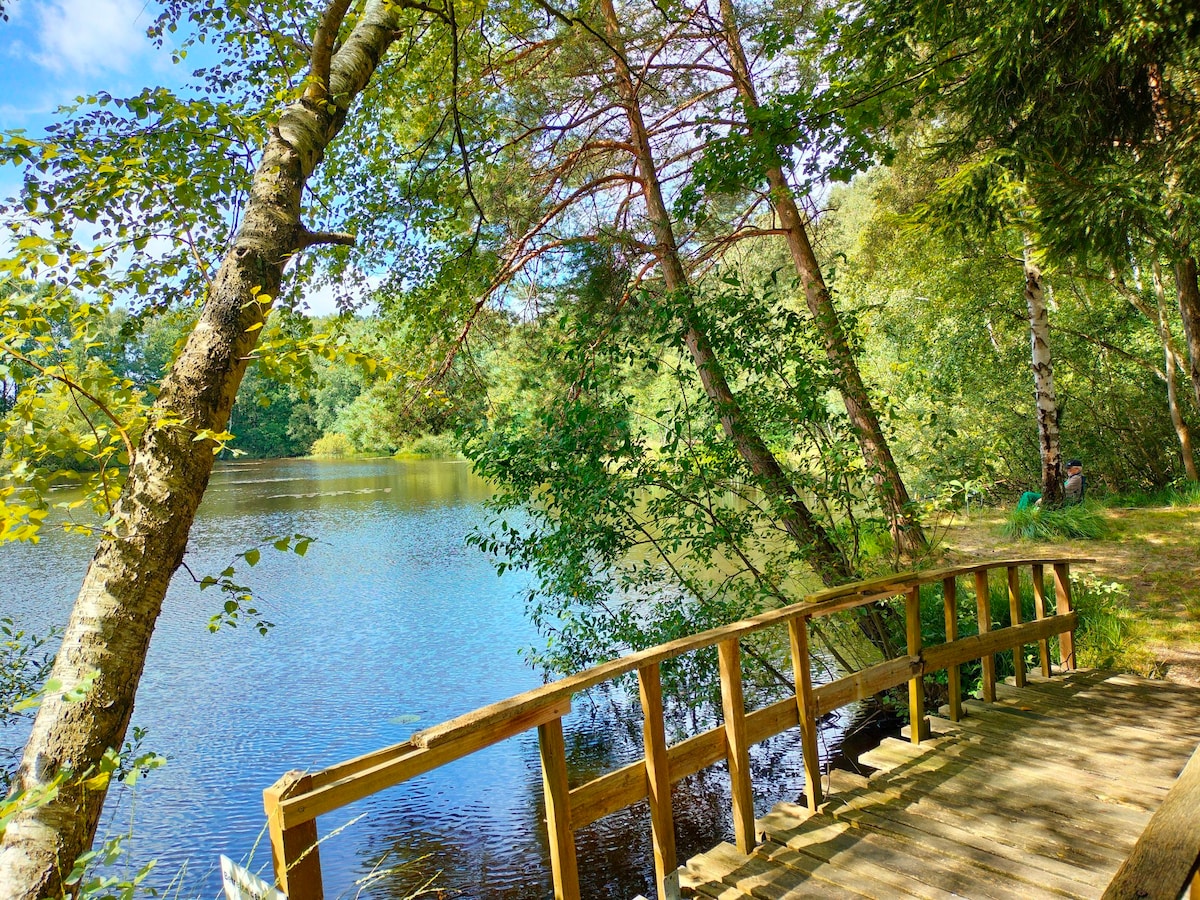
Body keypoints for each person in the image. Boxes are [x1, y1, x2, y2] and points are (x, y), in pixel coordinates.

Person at [1017, 458, 1085, 509]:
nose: (1068, 470)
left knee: (1028, 495)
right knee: (1028, 495)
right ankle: (1021, 513)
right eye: (1067, 468)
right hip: (1058, 498)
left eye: (1070, 469)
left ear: (1077, 469)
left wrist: (1044, 498)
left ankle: (1020, 515)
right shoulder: (1072, 478)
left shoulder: (1077, 478)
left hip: (1062, 501)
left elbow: (1063, 491)